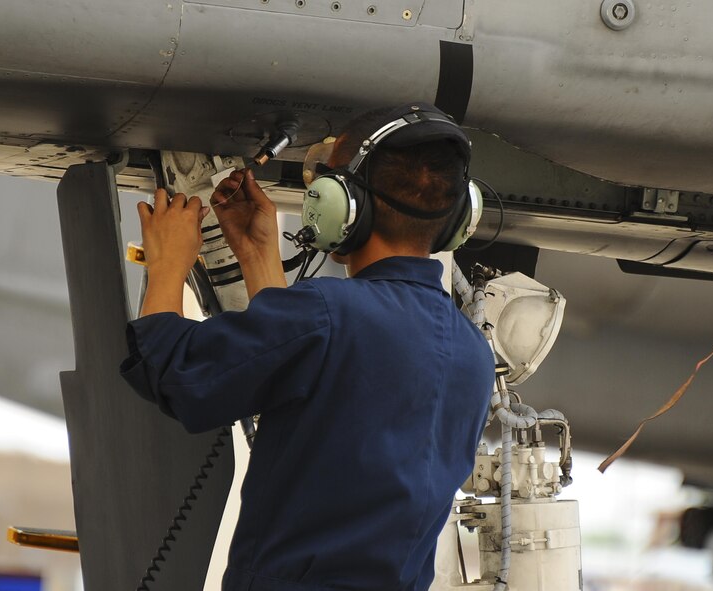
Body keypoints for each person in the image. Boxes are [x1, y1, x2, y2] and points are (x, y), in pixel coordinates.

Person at [120, 104, 494, 591]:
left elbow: (175, 374)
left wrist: (167, 264)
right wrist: (257, 254)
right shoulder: (472, 353)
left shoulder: (325, 313)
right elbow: (313, 379)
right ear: (455, 220)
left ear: (344, 206)